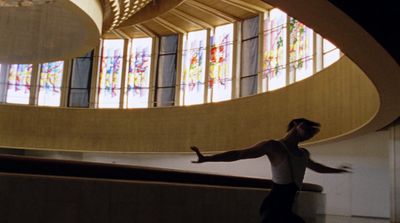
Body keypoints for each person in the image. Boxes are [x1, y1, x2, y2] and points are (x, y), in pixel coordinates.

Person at [190, 118, 351, 223]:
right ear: (297, 125)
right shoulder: (273, 146)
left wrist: (337, 171)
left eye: (312, 134)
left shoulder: (303, 153)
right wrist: (207, 158)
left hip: (286, 207)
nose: (310, 135)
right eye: (308, 130)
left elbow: (317, 167)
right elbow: (240, 154)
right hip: (273, 209)